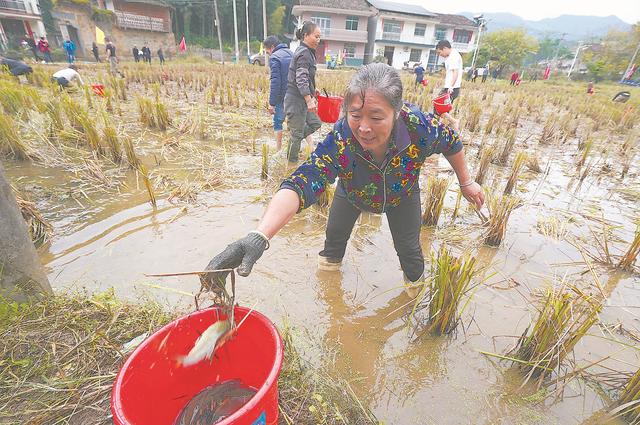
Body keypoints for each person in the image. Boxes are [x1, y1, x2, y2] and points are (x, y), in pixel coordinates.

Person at [200, 63, 484, 298]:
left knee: (410, 254)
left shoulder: (418, 127)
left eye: (376, 117)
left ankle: (413, 299)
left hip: (402, 195)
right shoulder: (341, 139)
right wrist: (259, 235)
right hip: (352, 193)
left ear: (397, 113)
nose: (364, 127)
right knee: (333, 244)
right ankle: (330, 298)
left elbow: (451, 142)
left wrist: (467, 182)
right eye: (356, 115)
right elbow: (303, 180)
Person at [284, 21, 322, 162]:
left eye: (319, 37)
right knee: (296, 134)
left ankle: (294, 142)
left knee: (315, 123)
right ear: (305, 35)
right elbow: (300, 78)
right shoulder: (304, 53)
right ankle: (291, 164)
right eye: (316, 36)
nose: (318, 40)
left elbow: (305, 76)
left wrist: (313, 89)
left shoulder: (308, 52)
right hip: (296, 100)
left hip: (302, 100)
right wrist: (309, 99)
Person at [264, 35, 293, 151]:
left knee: (278, 122)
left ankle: (278, 150)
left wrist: (272, 103)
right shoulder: (292, 53)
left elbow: (276, 82)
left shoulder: (275, 57)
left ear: (272, 47)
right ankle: (310, 148)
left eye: (267, 52)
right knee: (297, 124)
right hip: (296, 95)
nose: (268, 54)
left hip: (282, 96)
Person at [435, 40, 462, 132]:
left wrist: (451, 86)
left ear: (445, 48)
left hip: (451, 88)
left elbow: (455, 72)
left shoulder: (453, 56)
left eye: (440, 52)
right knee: (442, 110)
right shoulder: (452, 55)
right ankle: (453, 133)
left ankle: (454, 122)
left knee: (439, 108)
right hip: (450, 87)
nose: (440, 55)